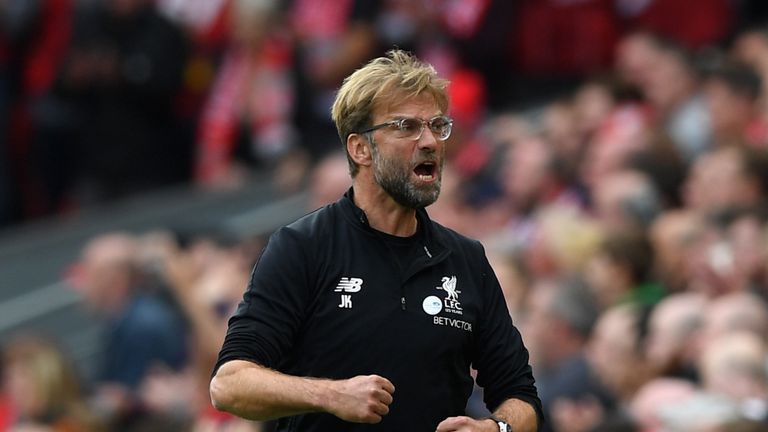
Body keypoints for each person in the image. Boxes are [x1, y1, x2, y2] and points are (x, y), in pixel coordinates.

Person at [209, 49, 542, 431]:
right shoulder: (303, 247)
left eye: (437, 125)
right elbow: (229, 384)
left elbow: (521, 395)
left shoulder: (466, 260)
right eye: (406, 126)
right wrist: (331, 395)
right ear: (360, 148)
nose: (430, 141)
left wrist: (495, 429)